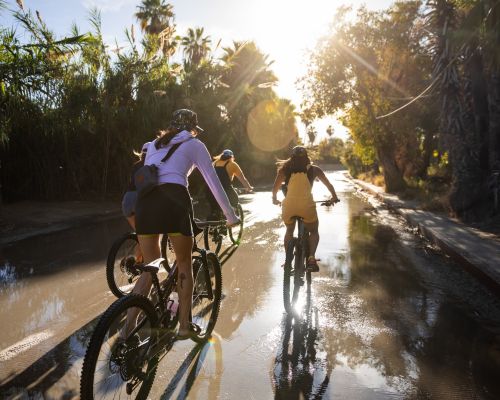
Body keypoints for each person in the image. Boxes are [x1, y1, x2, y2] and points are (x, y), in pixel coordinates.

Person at [130, 109, 239, 341]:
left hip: (145, 204)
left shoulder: (153, 144)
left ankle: (126, 330)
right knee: (183, 265)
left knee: (150, 268)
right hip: (174, 202)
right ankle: (184, 326)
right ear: (193, 128)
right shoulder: (195, 144)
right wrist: (230, 216)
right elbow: (213, 181)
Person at [272, 146, 339, 272]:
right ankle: (311, 259)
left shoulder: (284, 170)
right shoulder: (314, 170)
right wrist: (334, 197)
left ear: (291, 157)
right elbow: (329, 185)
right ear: (307, 156)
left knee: (289, 231)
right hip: (306, 206)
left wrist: (274, 199)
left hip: (289, 206)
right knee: (313, 231)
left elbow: (274, 189)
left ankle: (288, 261)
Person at [208, 149, 253, 218]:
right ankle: (232, 216)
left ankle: (214, 217)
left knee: (214, 208)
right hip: (225, 188)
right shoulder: (232, 164)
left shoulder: (214, 163)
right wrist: (249, 187)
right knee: (235, 199)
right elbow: (242, 179)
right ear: (231, 157)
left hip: (211, 189)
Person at [121, 142, 149, 231]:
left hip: (127, 200)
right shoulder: (151, 166)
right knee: (151, 236)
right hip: (140, 199)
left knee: (140, 235)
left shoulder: (135, 165)